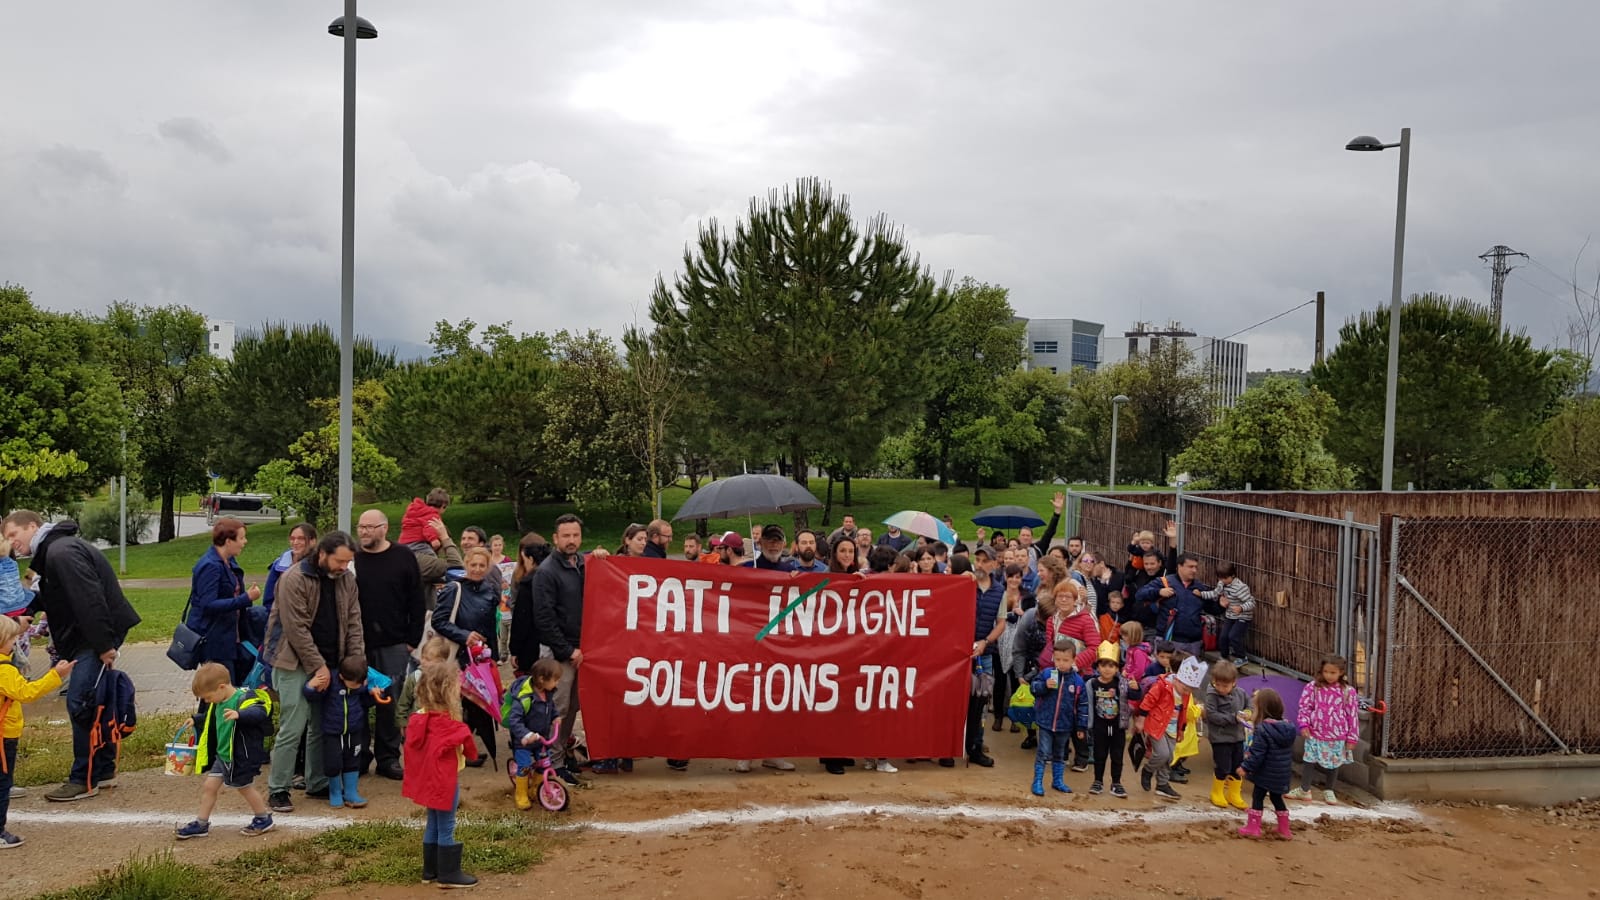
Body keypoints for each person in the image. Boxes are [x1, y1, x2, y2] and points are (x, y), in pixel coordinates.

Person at [1, 511, 140, 803]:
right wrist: (26, 615)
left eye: (14, 535)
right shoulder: (51, 551)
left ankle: (83, 779)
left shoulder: (61, 552)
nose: (11, 542)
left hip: (93, 637)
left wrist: (104, 645)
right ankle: (102, 771)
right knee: (93, 700)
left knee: (81, 702)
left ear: (32, 526)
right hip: (85, 637)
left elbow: (89, 599)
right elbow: (47, 594)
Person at [261, 531, 364, 815]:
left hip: (333, 662)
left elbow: (354, 622)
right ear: (322, 554)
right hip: (293, 663)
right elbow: (296, 630)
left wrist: (356, 662)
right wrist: (318, 667)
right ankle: (278, 788)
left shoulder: (347, 580)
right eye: (340, 561)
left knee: (323, 725)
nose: (344, 567)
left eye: (348, 562)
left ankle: (317, 781)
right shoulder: (293, 578)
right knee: (293, 726)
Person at [353, 509, 422, 781]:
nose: (364, 532)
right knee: (357, 700)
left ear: (384, 528)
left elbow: (417, 600)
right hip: (357, 644)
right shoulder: (352, 559)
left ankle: (388, 757)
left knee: (390, 701)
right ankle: (359, 756)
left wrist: (412, 640)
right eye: (361, 527)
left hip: (394, 643)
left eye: (370, 527)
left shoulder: (403, 556)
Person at [520, 514, 588, 787]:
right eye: (566, 536)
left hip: (579, 650)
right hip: (560, 654)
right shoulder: (547, 572)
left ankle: (559, 757)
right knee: (555, 709)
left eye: (575, 535)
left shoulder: (582, 563)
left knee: (572, 707)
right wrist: (567, 650)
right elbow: (544, 618)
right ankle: (551, 764)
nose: (571, 540)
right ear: (555, 538)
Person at [175, 662, 275, 839]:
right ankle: (202, 823)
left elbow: (259, 712)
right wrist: (197, 720)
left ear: (221, 687)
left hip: (239, 757)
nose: (206, 702)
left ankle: (263, 818)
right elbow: (212, 718)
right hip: (223, 756)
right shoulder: (218, 702)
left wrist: (240, 715)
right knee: (209, 787)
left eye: (207, 697)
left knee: (244, 787)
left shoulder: (246, 698)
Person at [403, 662, 479, 887]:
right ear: (449, 691)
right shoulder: (451, 724)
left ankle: (430, 872)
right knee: (446, 825)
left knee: (433, 823)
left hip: (428, 780)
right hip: (445, 781)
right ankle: (448, 874)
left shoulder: (418, 717)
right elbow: (472, 753)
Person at [0, 616, 72, 846]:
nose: (14, 643)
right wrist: (55, 676)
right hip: (3, 737)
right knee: (2, 785)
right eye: (11, 638)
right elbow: (27, 693)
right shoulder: (5, 671)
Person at [432, 547, 501, 768]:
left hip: (480, 658)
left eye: (482, 565)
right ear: (466, 565)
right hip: (457, 656)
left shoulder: (491, 591)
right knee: (454, 704)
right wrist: (464, 636)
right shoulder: (454, 589)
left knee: (478, 705)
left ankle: (467, 748)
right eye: (474, 565)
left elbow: (491, 627)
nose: (478, 569)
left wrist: (494, 658)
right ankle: (451, 748)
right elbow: (439, 621)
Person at [186, 518, 263, 685]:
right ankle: (211, 712)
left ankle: (209, 711)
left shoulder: (228, 561)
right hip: (214, 640)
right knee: (221, 689)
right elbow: (208, 604)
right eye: (241, 538)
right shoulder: (210, 566)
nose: (245, 542)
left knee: (225, 687)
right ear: (228, 541)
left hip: (229, 637)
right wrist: (246, 598)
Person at [306, 655, 377, 809]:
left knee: (353, 761)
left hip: (354, 731)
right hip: (333, 732)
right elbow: (313, 697)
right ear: (341, 676)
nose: (355, 687)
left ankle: (351, 792)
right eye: (352, 684)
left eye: (359, 684)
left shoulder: (360, 686)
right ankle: (335, 792)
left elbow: (366, 703)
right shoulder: (331, 683)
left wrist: (375, 695)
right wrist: (310, 686)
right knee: (333, 763)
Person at [1288, 655, 1360, 804]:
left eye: (1333, 673)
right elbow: (1305, 707)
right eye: (1326, 671)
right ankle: (1304, 789)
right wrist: (1304, 724)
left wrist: (1352, 737)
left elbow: (1352, 715)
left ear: (1341, 672)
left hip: (1337, 735)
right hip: (1315, 732)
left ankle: (1329, 790)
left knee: (1334, 762)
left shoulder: (1348, 692)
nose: (1328, 675)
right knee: (1309, 759)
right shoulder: (1313, 687)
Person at [1138, 655, 1206, 802]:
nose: (1187, 692)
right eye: (1185, 688)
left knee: (1169, 757)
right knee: (1162, 754)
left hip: (1173, 728)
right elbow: (1148, 701)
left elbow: (1183, 711)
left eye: (1190, 690)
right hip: (1157, 725)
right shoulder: (1162, 686)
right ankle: (1148, 770)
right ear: (1177, 679)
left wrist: (1181, 730)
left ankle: (1162, 784)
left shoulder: (1185, 694)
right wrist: (1141, 720)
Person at [1028, 637, 1088, 796]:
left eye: (1065, 660)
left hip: (1065, 724)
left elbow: (1082, 705)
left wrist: (1081, 726)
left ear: (1074, 660)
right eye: (1058, 659)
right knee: (1043, 753)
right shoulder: (1047, 673)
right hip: (1046, 722)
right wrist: (1044, 686)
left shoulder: (1077, 681)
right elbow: (1033, 689)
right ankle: (1038, 781)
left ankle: (1058, 781)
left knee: (1060, 754)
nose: (1061, 663)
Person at [964, 546, 1006, 768]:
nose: (979, 564)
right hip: (960, 653)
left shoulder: (1000, 590)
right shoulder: (965, 582)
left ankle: (976, 747)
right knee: (957, 701)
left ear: (993, 565)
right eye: (977, 559)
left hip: (984, 653)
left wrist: (985, 642)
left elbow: (1001, 622)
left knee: (981, 704)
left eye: (984, 561)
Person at [503, 658, 561, 810]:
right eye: (555, 680)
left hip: (542, 739)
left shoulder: (547, 693)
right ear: (542, 679)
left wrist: (555, 716)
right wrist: (526, 734)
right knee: (524, 766)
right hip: (524, 741)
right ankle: (521, 793)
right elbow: (514, 720)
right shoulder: (524, 698)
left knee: (544, 764)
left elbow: (551, 707)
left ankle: (536, 788)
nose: (557, 684)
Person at [1238, 688, 1296, 840]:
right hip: (1281, 774)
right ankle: (1284, 829)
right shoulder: (1288, 728)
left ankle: (1253, 827)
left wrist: (1245, 767)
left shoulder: (1263, 729)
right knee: (1277, 798)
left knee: (1258, 796)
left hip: (1265, 773)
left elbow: (1257, 754)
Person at [1137, 553, 1216, 659]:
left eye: (1196, 567)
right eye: (1190, 567)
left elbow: (1212, 608)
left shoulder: (1199, 587)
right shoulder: (1165, 582)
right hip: (1168, 642)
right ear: (1179, 566)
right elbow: (1139, 594)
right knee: (1166, 674)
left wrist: (1222, 604)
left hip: (1193, 644)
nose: (1194, 570)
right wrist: (1159, 591)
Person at [1087, 640, 1133, 798]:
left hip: (1117, 726)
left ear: (1117, 668)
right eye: (1104, 665)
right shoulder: (1091, 684)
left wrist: (1136, 688)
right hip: (1099, 726)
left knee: (1117, 755)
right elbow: (1087, 704)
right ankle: (1098, 781)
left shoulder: (1122, 684)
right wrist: (1086, 725)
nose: (1107, 669)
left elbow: (1135, 696)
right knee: (1099, 755)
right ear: (1098, 666)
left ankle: (1116, 783)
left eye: (1111, 666)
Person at [1204, 660, 1252, 810]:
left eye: (1225, 686)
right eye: (1218, 684)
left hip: (1237, 737)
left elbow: (1249, 703)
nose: (1221, 689)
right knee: (1223, 766)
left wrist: (1249, 713)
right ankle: (1216, 792)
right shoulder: (1212, 695)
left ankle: (1234, 793)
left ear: (1234, 683)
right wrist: (1233, 718)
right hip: (1220, 738)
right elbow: (1212, 715)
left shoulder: (1241, 693)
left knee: (1237, 766)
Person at [1197, 563, 1256, 666]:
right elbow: (1214, 593)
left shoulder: (1240, 587)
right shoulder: (1222, 584)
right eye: (1220, 578)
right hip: (1230, 615)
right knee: (1223, 637)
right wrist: (1201, 594)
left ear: (1232, 575)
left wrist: (1241, 608)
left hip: (1242, 616)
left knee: (1233, 636)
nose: (1223, 580)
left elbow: (1252, 602)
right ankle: (1224, 656)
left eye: (1225, 578)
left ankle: (1242, 657)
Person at [398, 638, 455, 739]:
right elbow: (403, 702)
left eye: (428, 659)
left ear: (441, 662)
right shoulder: (415, 677)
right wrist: (403, 723)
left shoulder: (447, 680)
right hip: (418, 725)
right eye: (422, 657)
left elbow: (454, 703)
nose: (423, 661)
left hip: (439, 726)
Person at [399, 488, 451, 552]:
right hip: (417, 543)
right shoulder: (433, 514)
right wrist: (433, 539)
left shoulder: (417, 511)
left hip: (403, 542)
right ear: (443, 506)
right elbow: (429, 527)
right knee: (432, 558)